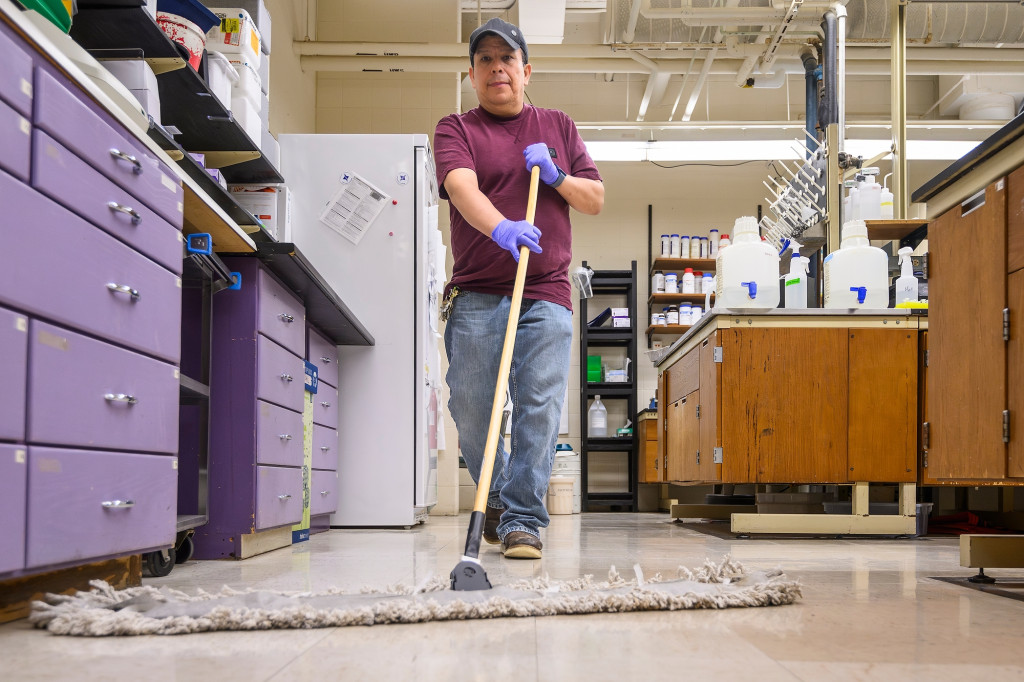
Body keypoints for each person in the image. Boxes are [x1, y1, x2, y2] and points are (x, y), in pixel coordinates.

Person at [433, 17, 604, 559]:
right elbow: (461, 187)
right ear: (472, 73)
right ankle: (503, 500)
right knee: (473, 408)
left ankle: (524, 520)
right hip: (478, 292)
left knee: (538, 407)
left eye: (507, 59)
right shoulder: (456, 127)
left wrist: (556, 177)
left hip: (546, 290)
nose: (497, 68)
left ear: (526, 71)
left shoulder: (557, 125)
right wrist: (500, 228)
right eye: (485, 60)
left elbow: (594, 198)